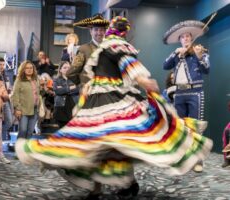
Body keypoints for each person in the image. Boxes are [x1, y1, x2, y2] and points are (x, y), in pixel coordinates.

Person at [15, 16, 212, 200]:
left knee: (102, 140)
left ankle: (111, 184)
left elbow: (123, 67)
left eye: (104, 29)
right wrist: (145, 82)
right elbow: (128, 66)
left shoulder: (106, 47)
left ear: (108, 30)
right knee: (111, 139)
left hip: (105, 97)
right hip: (102, 98)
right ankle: (110, 184)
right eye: (97, 29)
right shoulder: (108, 46)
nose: (101, 32)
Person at [163, 20, 210, 173]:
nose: (186, 39)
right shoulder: (177, 54)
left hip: (195, 93)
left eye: (188, 36)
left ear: (191, 37)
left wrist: (198, 56)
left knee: (196, 128)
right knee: (181, 128)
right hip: (179, 94)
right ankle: (182, 158)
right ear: (180, 40)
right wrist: (176, 52)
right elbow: (165, 65)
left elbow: (206, 69)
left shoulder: (201, 51)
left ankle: (198, 160)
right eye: (182, 37)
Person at [67, 14, 109, 87]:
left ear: (105, 31)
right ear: (91, 31)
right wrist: (82, 84)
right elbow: (70, 73)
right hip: (89, 94)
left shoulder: (110, 48)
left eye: (101, 30)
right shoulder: (83, 49)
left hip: (106, 93)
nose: (99, 33)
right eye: (96, 30)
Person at [11, 60, 40, 139]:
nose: (29, 69)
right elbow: (15, 95)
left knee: (30, 132)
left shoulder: (36, 80)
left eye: (31, 68)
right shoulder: (19, 80)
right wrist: (17, 108)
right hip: (23, 110)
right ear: (23, 69)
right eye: (27, 68)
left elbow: (38, 94)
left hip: (34, 109)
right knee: (23, 131)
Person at [53, 61, 79, 128]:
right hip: (61, 109)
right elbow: (58, 91)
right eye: (64, 68)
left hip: (73, 107)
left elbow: (78, 89)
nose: (67, 69)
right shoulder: (56, 80)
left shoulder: (76, 79)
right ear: (60, 70)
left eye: (68, 68)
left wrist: (63, 89)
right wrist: (71, 88)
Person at [0, 57, 13, 141]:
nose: (2, 66)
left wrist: (10, 90)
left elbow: (8, 87)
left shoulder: (6, 74)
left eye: (3, 64)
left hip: (7, 100)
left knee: (9, 122)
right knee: (0, 123)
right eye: (0, 64)